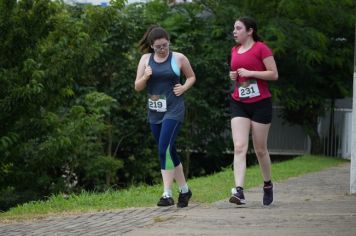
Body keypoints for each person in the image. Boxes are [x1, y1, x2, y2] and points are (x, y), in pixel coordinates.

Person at [135, 25, 196, 208]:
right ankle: (184, 190)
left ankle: (167, 193)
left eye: (165, 45)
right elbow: (137, 86)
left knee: (164, 149)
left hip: (174, 110)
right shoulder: (145, 59)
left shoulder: (178, 58)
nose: (162, 49)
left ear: (168, 42)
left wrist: (184, 87)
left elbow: (191, 77)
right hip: (155, 111)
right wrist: (145, 77)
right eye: (158, 47)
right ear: (152, 46)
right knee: (170, 150)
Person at [228, 17, 278, 206]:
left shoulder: (261, 48)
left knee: (260, 149)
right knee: (240, 146)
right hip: (239, 101)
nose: (234, 31)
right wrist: (233, 75)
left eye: (238, 28)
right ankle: (239, 191)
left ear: (249, 31)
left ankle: (267, 184)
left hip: (260, 103)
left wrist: (251, 73)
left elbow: (274, 74)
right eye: (234, 28)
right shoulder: (234, 50)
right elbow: (236, 74)